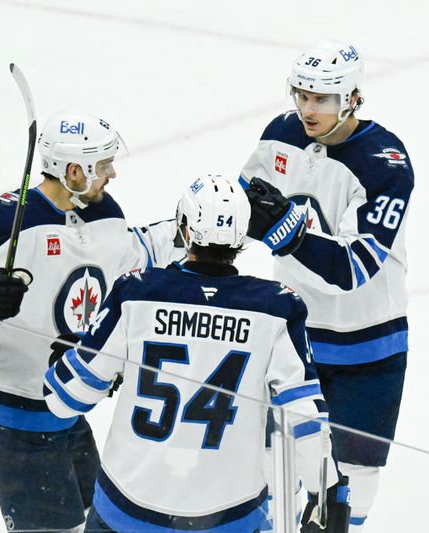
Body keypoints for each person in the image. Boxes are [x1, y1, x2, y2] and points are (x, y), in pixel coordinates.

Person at [44, 174, 350, 533]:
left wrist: (65, 363)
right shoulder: (275, 309)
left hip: (128, 512)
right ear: (243, 234)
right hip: (227, 517)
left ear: (185, 229)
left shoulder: (137, 293)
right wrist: (326, 491)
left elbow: (64, 400)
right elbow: (304, 416)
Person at [0, 111, 181, 531]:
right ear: (74, 171)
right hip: (7, 404)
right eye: (103, 165)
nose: (112, 173)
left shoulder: (102, 213)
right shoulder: (8, 216)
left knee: (96, 521)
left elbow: (134, 255)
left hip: (59, 404)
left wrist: (191, 234)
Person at [240, 39, 415, 531]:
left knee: (349, 499)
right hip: (295, 338)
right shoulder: (280, 133)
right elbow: (244, 206)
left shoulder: (384, 162)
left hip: (368, 346)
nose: (307, 108)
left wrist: (290, 234)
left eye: (322, 99)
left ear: (352, 99)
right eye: (302, 94)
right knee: (275, 479)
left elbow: (355, 268)